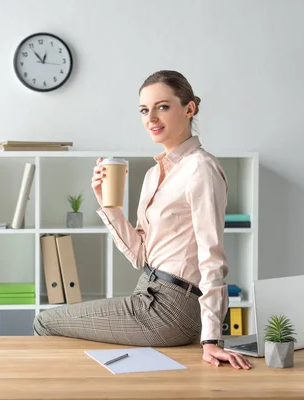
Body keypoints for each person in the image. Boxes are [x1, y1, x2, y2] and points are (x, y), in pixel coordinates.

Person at [34, 70, 251, 370]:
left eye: (163, 106)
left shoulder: (201, 168)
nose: (152, 118)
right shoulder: (153, 175)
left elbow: (212, 256)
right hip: (147, 291)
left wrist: (212, 339)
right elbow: (140, 256)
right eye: (144, 110)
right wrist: (107, 205)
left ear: (189, 109)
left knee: (45, 322)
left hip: (173, 306)